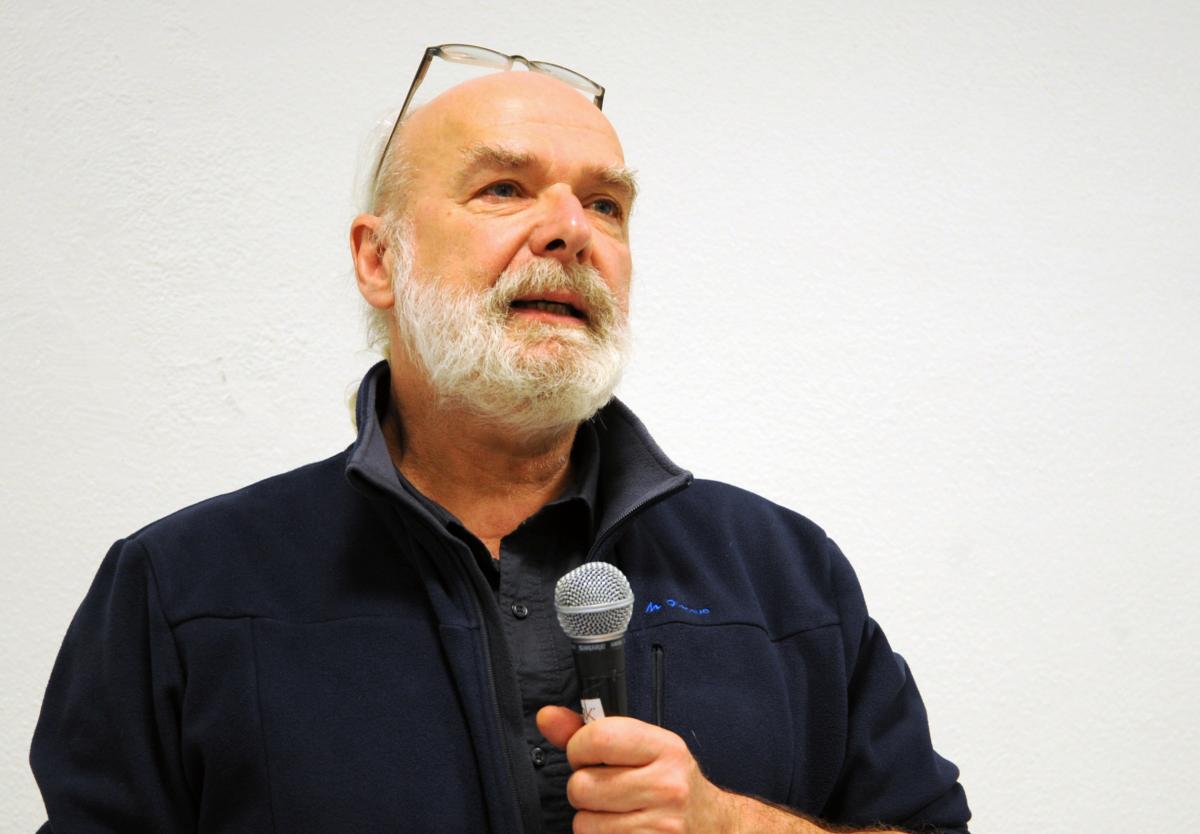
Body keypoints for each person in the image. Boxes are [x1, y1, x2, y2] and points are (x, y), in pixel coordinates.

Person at [30, 48, 971, 834]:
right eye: (504, 188)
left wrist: (732, 825)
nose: (569, 231)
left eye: (605, 204)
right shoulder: (181, 588)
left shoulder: (786, 574)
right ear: (377, 259)